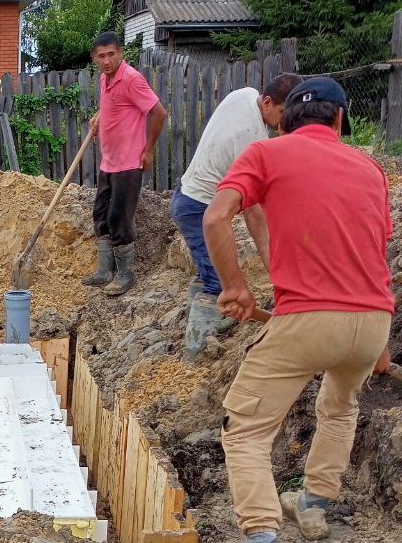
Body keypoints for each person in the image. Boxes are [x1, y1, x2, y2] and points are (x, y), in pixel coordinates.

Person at [202, 76, 394, 543]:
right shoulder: (372, 169)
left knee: (244, 428)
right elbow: (377, 258)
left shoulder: (266, 154)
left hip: (308, 318)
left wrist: (236, 289)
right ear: (338, 120)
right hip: (374, 320)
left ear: (284, 119)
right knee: (341, 406)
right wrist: (383, 343)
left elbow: (217, 218)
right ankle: (312, 506)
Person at [171, 73, 301, 359]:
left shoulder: (244, 94)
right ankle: (196, 354)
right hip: (198, 206)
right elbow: (254, 214)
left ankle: (202, 308)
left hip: (187, 193)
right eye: (281, 114)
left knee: (211, 269)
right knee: (220, 282)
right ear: (267, 102)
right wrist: (274, 269)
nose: (283, 123)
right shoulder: (249, 141)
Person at [84, 31, 166, 296]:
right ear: (94, 59)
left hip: (129, 163)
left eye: (111, 54)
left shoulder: (131, 79)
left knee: (119, 217)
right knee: (100, 214)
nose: (107, 60)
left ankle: (126, 275)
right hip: (109, 161)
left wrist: (148, 149)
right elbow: (112, 105)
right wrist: (99, 116)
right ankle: (104, 271)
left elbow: (158, 112)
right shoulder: (105, 79)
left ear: (120, 53)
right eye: (101, 56)